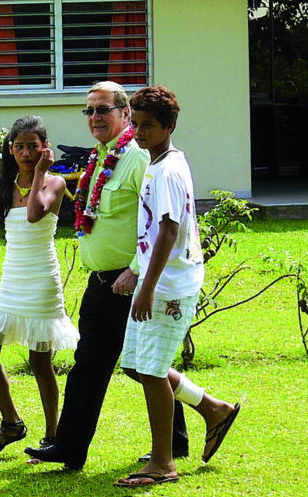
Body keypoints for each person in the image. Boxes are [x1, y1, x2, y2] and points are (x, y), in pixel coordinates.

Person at [25, 81, 191, 470]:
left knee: (144, 367)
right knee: (90, 367)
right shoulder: (101, 156)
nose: (95, 118)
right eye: (89, 111)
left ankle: (180, 438)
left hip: (126, 282)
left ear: (124, 114)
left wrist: (136, 272)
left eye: (103, 110)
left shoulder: (136, 158)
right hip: (99, 281)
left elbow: (155, 225)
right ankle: (69, 447)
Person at [114, 86, 240, 488]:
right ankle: (213, 409)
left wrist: (147, 286)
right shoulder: (158, 162)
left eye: (148, 125)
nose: (138, 131)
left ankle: (164, 463)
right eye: (135, 123)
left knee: (149, 370)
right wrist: (139, 273)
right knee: (136, 365)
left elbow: (169, 228)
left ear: (169, 126)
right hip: (157, 279)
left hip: (169, 285)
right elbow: (155, 229)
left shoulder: (167, 168)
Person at [0, 116, 79, 457]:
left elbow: (34, 214)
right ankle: (12, 423)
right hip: (12, 277)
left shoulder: (55, 183)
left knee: (39, 361)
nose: (26, 152)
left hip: (42, 279)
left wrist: (40, 175)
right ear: (10, 149)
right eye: (19, 146)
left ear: (44, 147)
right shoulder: (4, 185)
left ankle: (52, 435)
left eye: (33, 146)